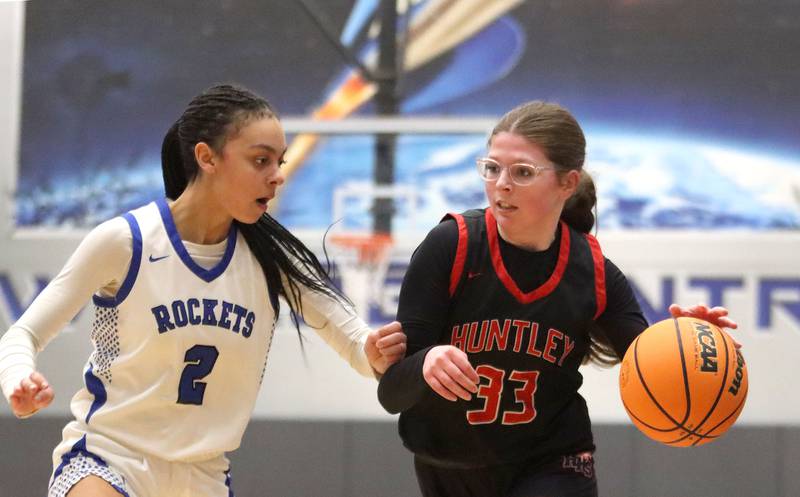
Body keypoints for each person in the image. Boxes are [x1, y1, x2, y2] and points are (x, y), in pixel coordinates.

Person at [0, 83, 407, 497]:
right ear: (206, 157)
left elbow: (358, 345)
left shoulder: (273, 259)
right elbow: (22, 333)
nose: (279, 175)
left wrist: (373, 353)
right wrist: (18, 377)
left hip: (204, 477)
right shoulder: (127, 241)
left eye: (279, 162)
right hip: (108, 459)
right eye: (261, 160)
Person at [377, 100, 738, 497]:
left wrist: (690, 343)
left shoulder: (595, 272)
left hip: (553, 459)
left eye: (523, 172)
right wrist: (425, 362)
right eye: (492, 168)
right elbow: (391, 392)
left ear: (567, 183)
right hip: (448, 464)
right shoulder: (452, 246)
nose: (502, 184)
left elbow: (651, 363)